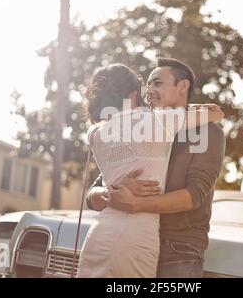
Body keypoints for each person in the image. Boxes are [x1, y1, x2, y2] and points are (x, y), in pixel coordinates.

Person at [77, 62, 223, 278]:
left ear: (182, 86)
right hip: (138, 238)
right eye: (146, 85)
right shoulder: (146, 126)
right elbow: (94, 193)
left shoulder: (208, 132)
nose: (149, 91)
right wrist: (110, 193)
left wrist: (135, 203)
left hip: (179, 246)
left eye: (157, 83)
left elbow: (194, 195)